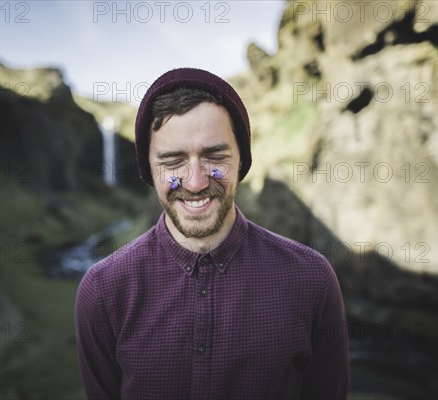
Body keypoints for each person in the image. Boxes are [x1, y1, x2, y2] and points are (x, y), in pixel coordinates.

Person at [75, 67, 349, 399]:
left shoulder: (312, 280)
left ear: (241, 160)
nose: (195, 182)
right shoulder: (103, 292)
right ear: (148, 168)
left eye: (214, 156)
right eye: (173, 161)